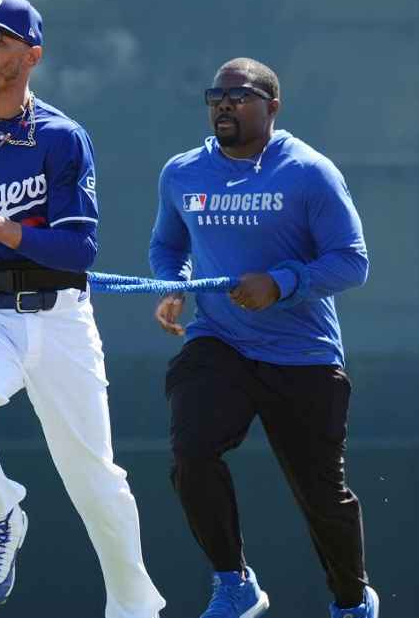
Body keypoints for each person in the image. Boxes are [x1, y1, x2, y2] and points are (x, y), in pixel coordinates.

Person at [0, 0, 166, 618]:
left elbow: (79, 249)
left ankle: (134, 608)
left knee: (93, 478)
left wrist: (1, 229)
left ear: (32, 55)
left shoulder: (63, 138)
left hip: (61, 316)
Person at [147, 57, 378, 618]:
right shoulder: (182, 172)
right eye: (215, 96)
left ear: (272, 106)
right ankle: (234, 584)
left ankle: (352, 601)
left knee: (320, 496)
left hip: (302, 353)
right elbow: (168, 246)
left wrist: (280, 284)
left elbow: (352, 263)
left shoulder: (309, 172)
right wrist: (173, 286)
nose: (224, 105)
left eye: (240, 96)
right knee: (191, 450)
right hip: (219, 341)